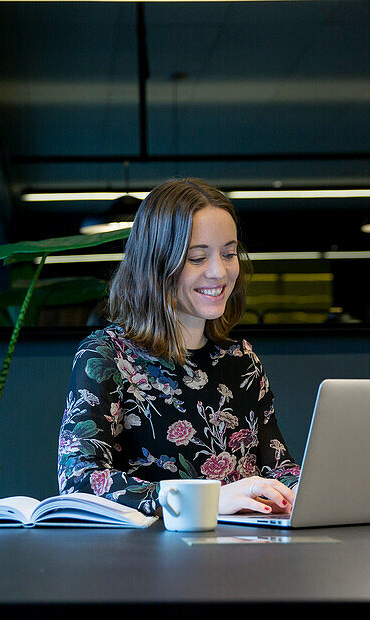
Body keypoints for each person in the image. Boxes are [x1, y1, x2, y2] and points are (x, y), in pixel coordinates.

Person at [57, 177, 299, 520]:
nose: (219, 272)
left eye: (229, 254)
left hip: (244, 557)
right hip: (148, 564)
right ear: (157, 263)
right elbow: (79, 482)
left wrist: (308, 489)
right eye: (198, 258)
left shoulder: (242, 360)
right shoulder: (106, 356)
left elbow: (277, 467)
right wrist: (206, 500)